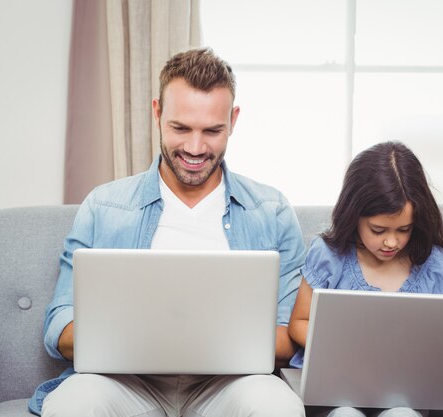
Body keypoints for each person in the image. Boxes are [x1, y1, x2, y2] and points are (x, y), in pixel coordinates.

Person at [29, 47, 306, 417]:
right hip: (126, 383)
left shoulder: (271, 211)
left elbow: (288, 334)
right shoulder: (104, 206)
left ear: (233, 120)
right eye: (180, 128)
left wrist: (194, 339)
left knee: (277, 405)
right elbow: (59, 328)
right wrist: (141, 337)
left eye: (212, 130)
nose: (195, 147)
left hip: (230, 385)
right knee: (72, 403)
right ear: (157, 113)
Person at [288, 141, 443, 417]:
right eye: (378, 229)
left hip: (406, 393)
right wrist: (345, 346)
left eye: (404, 230)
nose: (391, 241)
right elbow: (298, 323)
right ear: (354, 215)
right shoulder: (330, 256)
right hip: (337, 387)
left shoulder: (435, 266)